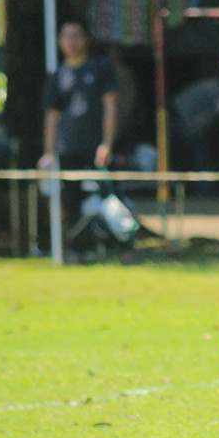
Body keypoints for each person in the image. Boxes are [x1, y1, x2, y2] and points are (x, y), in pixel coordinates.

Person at [37, 21, 127, 260]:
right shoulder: (57, 75)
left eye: (77, 36)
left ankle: (122, 247)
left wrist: (107, 143)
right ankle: (79, 251)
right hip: (68, 149)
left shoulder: (100, 68)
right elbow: (52, 116)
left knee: (111, 197)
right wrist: (48, 152)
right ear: (59, 42)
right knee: (72, 202)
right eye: (67, 37)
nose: (72, 42)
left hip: (97, 148)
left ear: (86, 39)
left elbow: (111, 106)